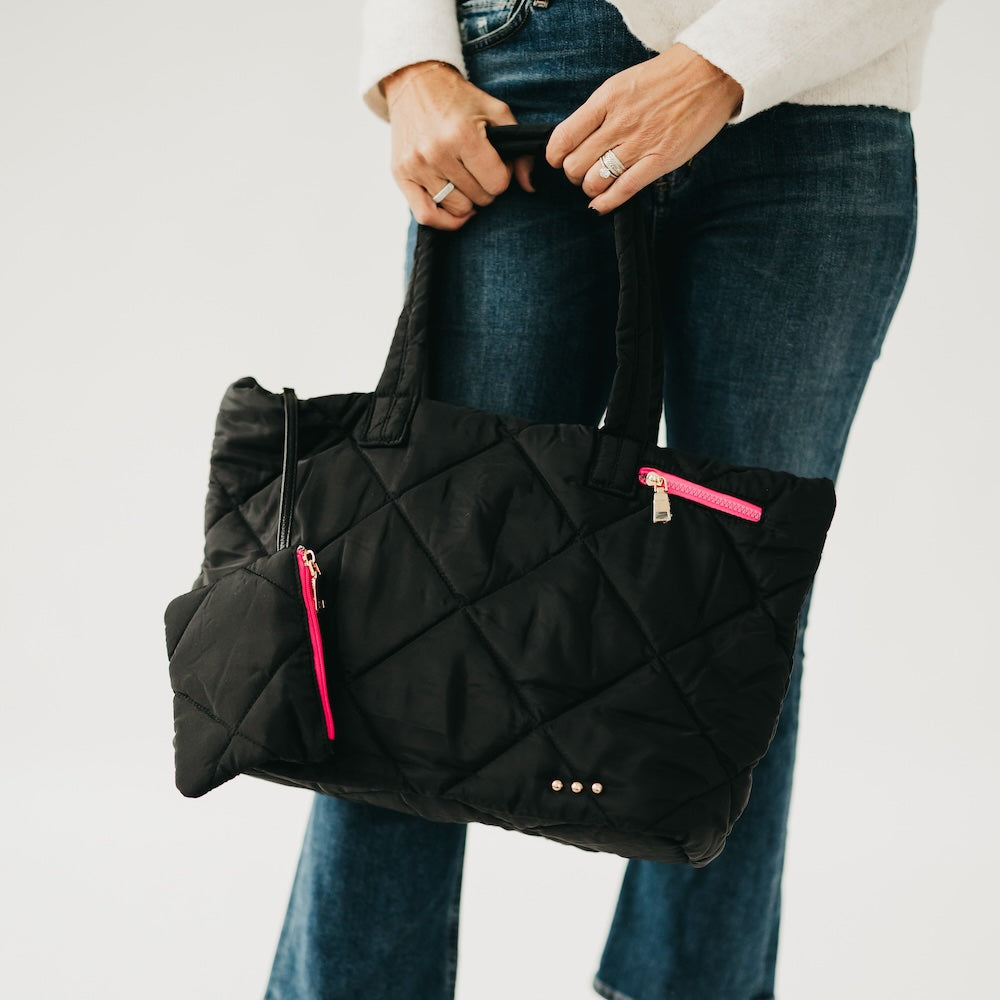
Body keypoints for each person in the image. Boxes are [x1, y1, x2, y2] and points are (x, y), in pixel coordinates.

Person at [265, 1, 941, 997]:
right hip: (526, 87)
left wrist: (723, 63)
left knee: (741, 615)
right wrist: (409, 61)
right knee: (418, 589)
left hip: (815, 102)